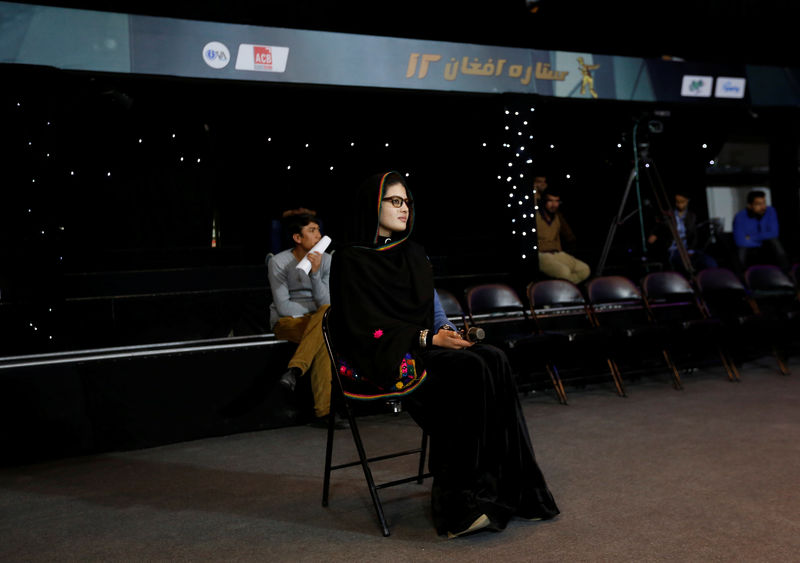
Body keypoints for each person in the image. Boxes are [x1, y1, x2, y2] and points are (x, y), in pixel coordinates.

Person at [330, 171, 559, 538]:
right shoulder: (349, 259)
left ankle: (512, 492)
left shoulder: (414, 254)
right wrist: (427, 339)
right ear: (372, 204)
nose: (404, 208)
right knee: (467, 371)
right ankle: (459, 507)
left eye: (407, 201)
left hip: (425, 347)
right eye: (395, 201)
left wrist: (450, 334)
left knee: (492, 358)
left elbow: (433, 312)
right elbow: (362, 327)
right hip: (382, 357)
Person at [268, 208, 335, 426]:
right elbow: (283, 305)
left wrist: (315, 273)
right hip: (288, 321)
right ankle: (323, 412)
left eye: (318, 230)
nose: (318, 235)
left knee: (325, 324)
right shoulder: (278, 262)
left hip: (317, 317)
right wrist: (312, 316)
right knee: (324, 327)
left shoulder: (326, 260)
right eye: (312, 231)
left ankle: (295, 371)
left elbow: (326, 301)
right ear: (298, 238)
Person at [647, 190, 718, 273]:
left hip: (688, 250)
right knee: (684, 264)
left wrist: (691, 250)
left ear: (687, 201)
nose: (679, 204)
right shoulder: (668, 215)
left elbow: (694, 235)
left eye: (682, 201)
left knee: (709, 262)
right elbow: (658, 228)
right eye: (677, 201)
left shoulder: (691, 216)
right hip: (673, 250)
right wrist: (655, 235)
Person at [535, 185, 591, 284]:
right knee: (564, 272)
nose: (554, 204)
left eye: (557, 201)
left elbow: (569, 235)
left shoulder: (557, 216)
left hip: (557, 253)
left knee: (584, 270)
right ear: (544, 201)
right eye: (551, 201)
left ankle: (566, 287)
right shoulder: (536, 216)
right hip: (541, 255)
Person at [733, 190, 789, 270]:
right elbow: (740, 241)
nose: (763, 207)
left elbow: (774, 233)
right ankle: (741, 275)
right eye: (758, 204)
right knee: (741, 251)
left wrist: (752, 237)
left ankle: (786, 271)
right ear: (749, 206)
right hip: (749, 246)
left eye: (764, 203)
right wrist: (760, 238)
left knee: (775, 242)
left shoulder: (770, 211)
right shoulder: (740, 217)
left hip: (763, 243)